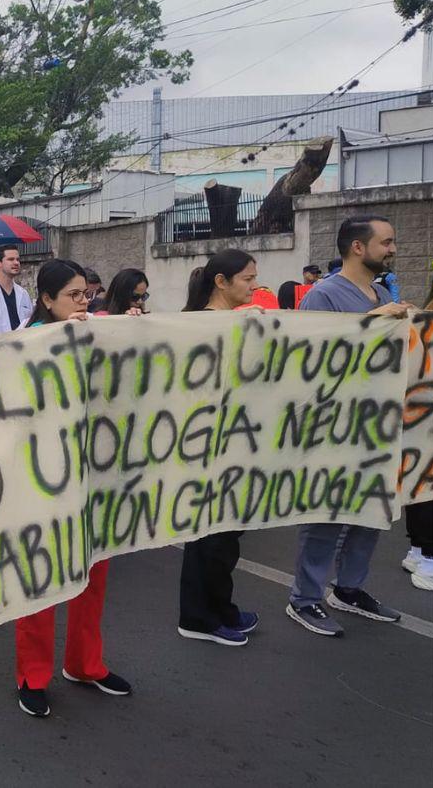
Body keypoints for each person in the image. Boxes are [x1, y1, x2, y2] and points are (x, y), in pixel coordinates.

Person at [16, 259, 130, 718]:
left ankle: (85, 663)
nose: (85, 304)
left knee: (93, 575)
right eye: (74, 296)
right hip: (44, 481)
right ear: (47, 300)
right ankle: (32, 674)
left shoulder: (97, 337)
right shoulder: (26, 346)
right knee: (44, 580)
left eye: (87, 295)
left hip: (95, 475)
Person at [287, 215, 412, 635]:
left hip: (378, 422)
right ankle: (304, 598)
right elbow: (312, 359)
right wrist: (374, 321)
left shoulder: (378, 291)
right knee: (327, 514)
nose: (393, 249)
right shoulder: (324, 296)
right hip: (335, 424)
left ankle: (349, 588)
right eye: (387, 241)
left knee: (371, 509)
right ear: (358, 248)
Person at [176, 249, 262, 647]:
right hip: (207, 447)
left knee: (227, 537)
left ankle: (220, 607)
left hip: (239, 443)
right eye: (247, 279)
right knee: (207, 536)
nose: (254, 286)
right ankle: (197, 617)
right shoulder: (198, 326)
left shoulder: (243, 321)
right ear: (221, 282)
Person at [404, 281, 433, 591]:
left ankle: (420, 554)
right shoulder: (424, 327)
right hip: (426, 419)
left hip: (420, 419)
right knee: (429, 490)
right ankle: (429, 560)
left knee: (423, 487)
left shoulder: (420, 323)